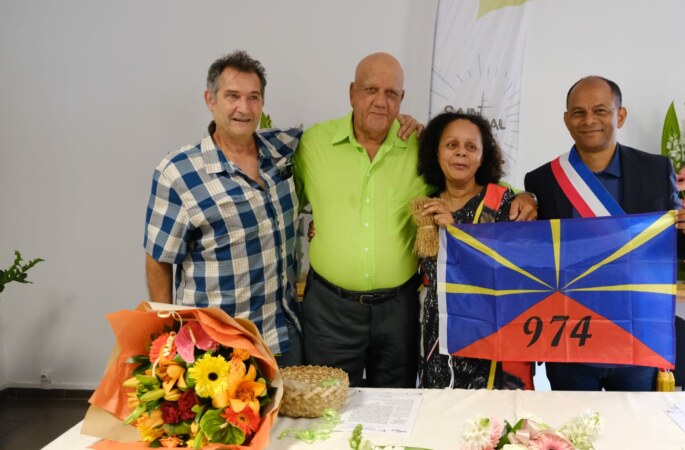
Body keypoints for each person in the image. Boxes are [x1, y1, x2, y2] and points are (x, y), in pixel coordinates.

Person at [294, 53, 537, 388]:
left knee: (398, 405)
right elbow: (286, 201)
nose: (381, 101)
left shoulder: (419, 147)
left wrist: (527, 197)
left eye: (391, 93)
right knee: (327, 404)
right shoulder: (313, 144)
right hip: (330, 310)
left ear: (402, 98)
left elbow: (475, 186)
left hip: (399, 310)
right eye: (370, 90)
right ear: (352, 92)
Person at [524, 75, 685, 391]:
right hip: (570, 337)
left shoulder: (655, 170)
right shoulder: (542, 180)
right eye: (578, 112)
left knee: (634, 422)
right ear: (566, 120)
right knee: (573, 422)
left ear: (620, 115)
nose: (589, 120)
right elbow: (534, 255)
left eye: (600, 110)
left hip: (635, 335)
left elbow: (677, 244)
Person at [143, 50, 304, 366]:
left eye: (253, 97)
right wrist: (168, 334)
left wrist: (400, 123)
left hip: (281, 335)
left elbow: (336, 136)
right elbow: (158, 259)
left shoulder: (280, 150)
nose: (244, 108)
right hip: (217, 347)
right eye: (232, 96)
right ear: (210, 99)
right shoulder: (178, 173)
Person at [416, 112, 533, 389]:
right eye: (451, 145)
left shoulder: (503, 203)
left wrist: (455, 232)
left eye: (471, 147)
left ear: (482, 156)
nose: (461, 153)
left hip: (491, 332)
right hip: (437, 333)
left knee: (490, 413)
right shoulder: (424, 206)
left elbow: (513, 275)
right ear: (436, 152)